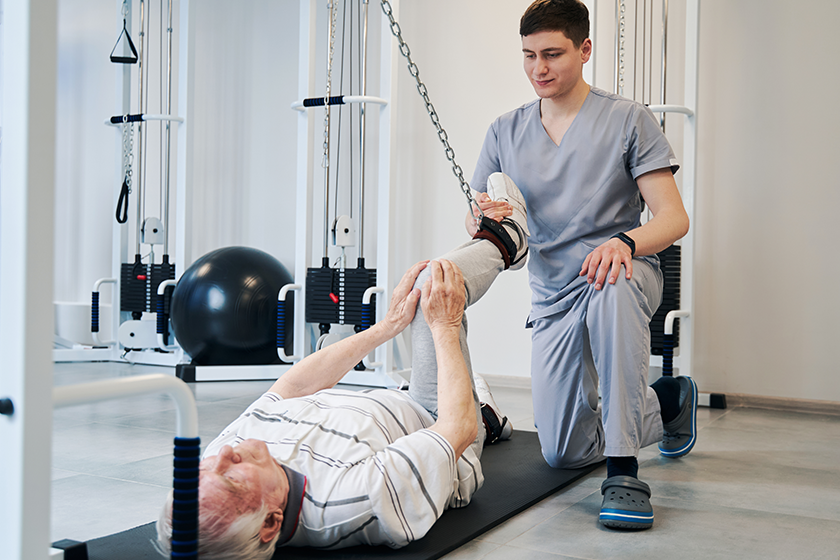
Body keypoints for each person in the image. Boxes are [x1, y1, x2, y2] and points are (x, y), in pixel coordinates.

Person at [155, 173, 529, 558]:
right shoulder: (355, 500)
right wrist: (446, 324)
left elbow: (292, 388)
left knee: (382, 327)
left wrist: (386, 327)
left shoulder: (223, 459)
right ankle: (508, 239)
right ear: (270, 523)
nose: (223, 457)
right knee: (432, 283)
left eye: (207, 471)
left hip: (377, 403)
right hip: (434, 417)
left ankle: (486, 408)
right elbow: (457, 428)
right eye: (231, 479)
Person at [467, 0, 695, 530]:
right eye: (528, 56)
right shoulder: (505, 131)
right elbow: (478, 219)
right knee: (563, 453)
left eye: (552, 54)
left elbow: (673, 218)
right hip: (554, 293)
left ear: (585, 49)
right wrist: (491, 219)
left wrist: (625, 242)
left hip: (624, 273)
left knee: (613, 284)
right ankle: (667, 402)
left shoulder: (627, 118)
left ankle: (624, 471)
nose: (538, 69)